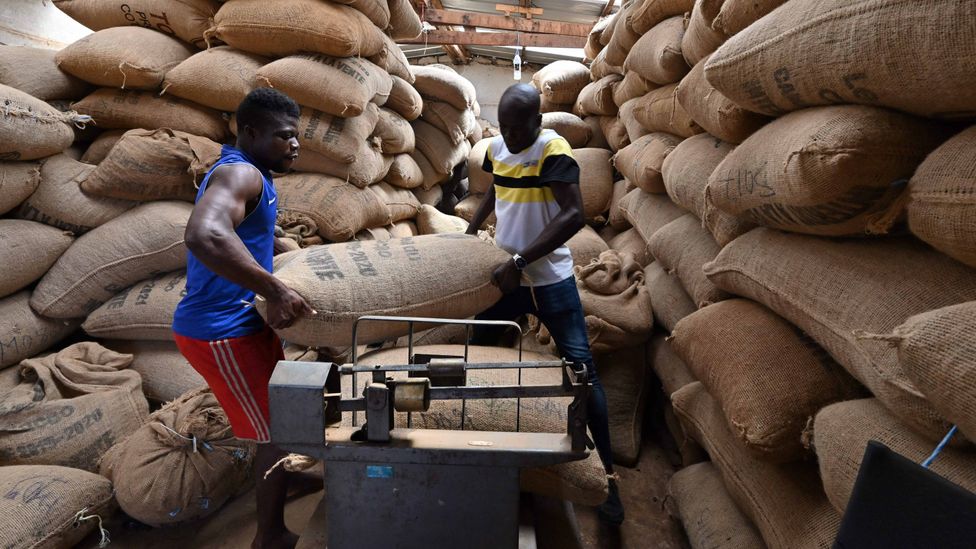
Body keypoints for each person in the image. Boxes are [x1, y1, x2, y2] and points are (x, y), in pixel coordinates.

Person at [465, 83, 625, 524]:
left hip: (549, 279)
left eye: (520, 128)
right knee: (477, 354)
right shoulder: (497, 147)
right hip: (506, 278)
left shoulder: (554, 150)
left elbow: (574, 214)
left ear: (537, 121)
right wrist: (470, 233)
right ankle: (482, 446)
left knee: (581, 372)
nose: (511, 136)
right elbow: (495, 190)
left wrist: (521, 259)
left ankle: (607, 479)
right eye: (505, 127)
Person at [172, 88, 315, 549]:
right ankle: (269, 536)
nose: (294, 146)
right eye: (284, 136)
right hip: (222, 331)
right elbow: (205, 233)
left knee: (284, 419)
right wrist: (274, 288)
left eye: (297, 137)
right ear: (250, 132)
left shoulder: (255, 176)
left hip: (242, 325)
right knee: (275, 432)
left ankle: (280, 500)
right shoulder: (239, 172)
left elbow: (248, 228)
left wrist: (291, 254)